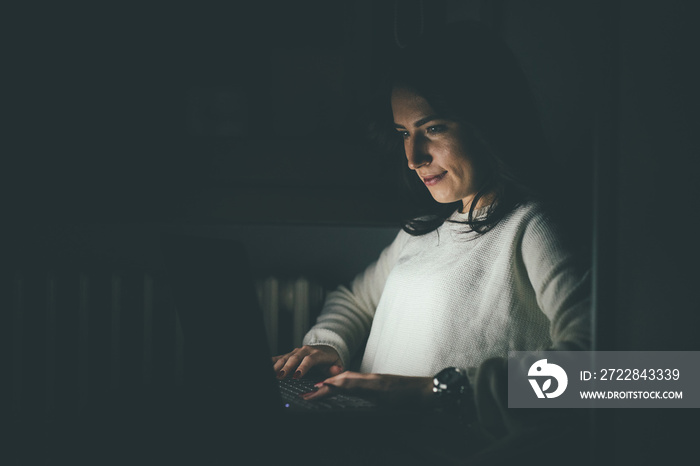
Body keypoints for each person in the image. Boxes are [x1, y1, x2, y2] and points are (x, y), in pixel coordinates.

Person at [272, 20, 591, 457]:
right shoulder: (420, 234)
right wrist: (328, 343)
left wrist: (437, 391)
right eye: (404, 133)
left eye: (433, 128)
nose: (412, 157)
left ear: (488, 120)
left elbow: (607, 377)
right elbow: (352, 299)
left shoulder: (533, 227)